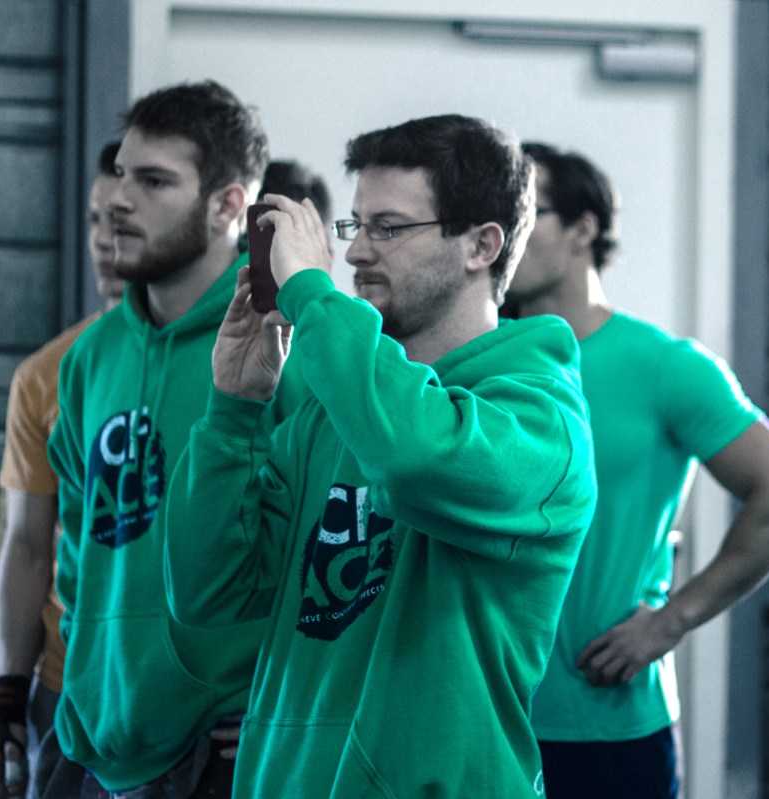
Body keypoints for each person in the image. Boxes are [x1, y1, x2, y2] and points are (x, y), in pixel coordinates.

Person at [161, 114, 596, 798]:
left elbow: (412, 459)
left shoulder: (543, 422)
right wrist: (233, 411)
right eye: (355, 225)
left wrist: (312, 294)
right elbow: (206, 590)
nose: (357, 252)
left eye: (388, 228)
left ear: (481, 245)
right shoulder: (333, 413)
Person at [502, 142, 769, 798]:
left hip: (605, 723)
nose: (502, 237)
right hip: (481, 717)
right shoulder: (480, 361)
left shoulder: (665, 366)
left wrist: (670, 621)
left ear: (583, 230)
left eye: (525, 216)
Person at [46, 80, 305, 798]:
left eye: (154, 181)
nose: (118, 199)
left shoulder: (289, 349)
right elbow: (78, 544)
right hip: (97, 738)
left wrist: (283, 694)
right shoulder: (89, 357)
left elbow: (328, 546)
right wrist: (86, 673)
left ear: (228, 205)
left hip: (223, 749)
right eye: (121, 173)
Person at [0, 142, 125, 799]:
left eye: (122, 218)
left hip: (191, 703)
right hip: (68, 689)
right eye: (95, 218)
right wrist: (7, 702)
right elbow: (28, 546)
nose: (103, 238)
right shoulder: (46, 375)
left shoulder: (237, 366)